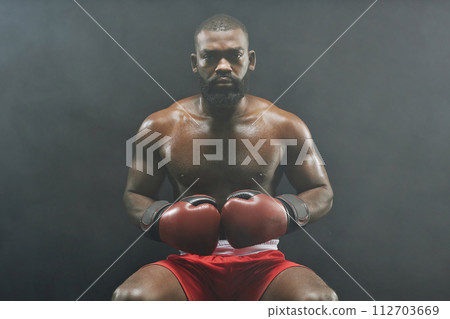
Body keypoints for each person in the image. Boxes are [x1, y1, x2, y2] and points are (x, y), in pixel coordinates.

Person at [112, 14, 337, 301]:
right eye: (210, 57)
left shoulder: (285, 125)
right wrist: (160, 220)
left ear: (250, 60)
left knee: (317, 301)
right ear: (195, 63)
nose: (223, 67)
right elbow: (134, 195)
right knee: (131, 297)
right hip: (189, 264)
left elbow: (322, 192)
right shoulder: (158, 126)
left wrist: (285, 213)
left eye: (234, 56)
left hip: (263, 262)